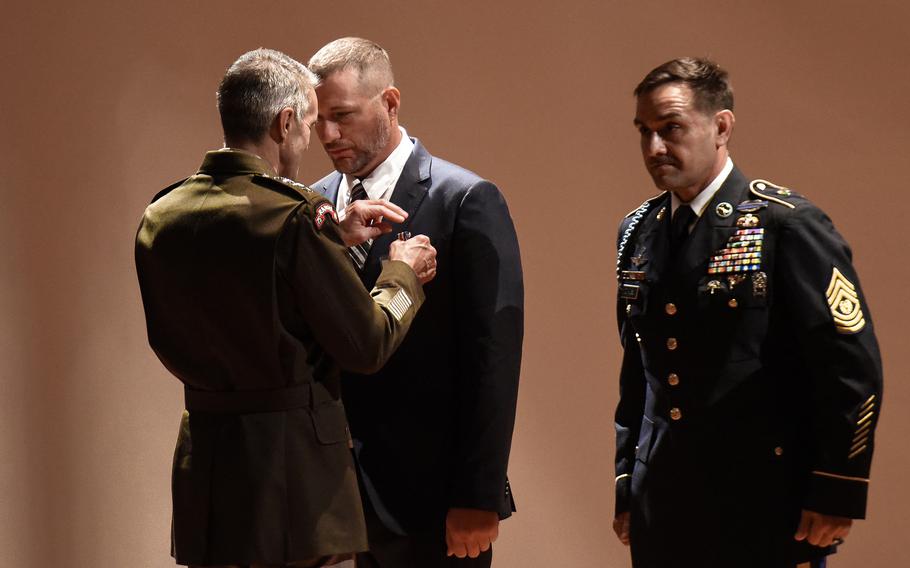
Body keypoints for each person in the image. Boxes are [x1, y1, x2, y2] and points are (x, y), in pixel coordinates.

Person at [135, 48, 438, 568]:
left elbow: (243, 285)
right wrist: (402, 272)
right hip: (294, 485)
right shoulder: (292, 218)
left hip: (206, 475)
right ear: (285, 122)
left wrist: (331, 240)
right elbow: (366, 343)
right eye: (311, 123)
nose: (314, 140)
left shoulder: (162, 214)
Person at [612, 57, 883, 568]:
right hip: (664, 504)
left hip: (762, 502)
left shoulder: (787, 225)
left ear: (721, 126)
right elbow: (639, 371)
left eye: (671, 128)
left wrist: (836, 490)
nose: (654, 148)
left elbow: (851, 368)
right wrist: (628, 479)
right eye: (643, 132)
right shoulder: (638, 232)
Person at [307, 38, 524, 568]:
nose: (329, 135)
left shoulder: (465, 198)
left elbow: (492, 359)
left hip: (430, 499)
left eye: (343, 116)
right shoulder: (310, 202)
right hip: (332, 499)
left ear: (390, 102)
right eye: (319, 121)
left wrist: (478, 494)